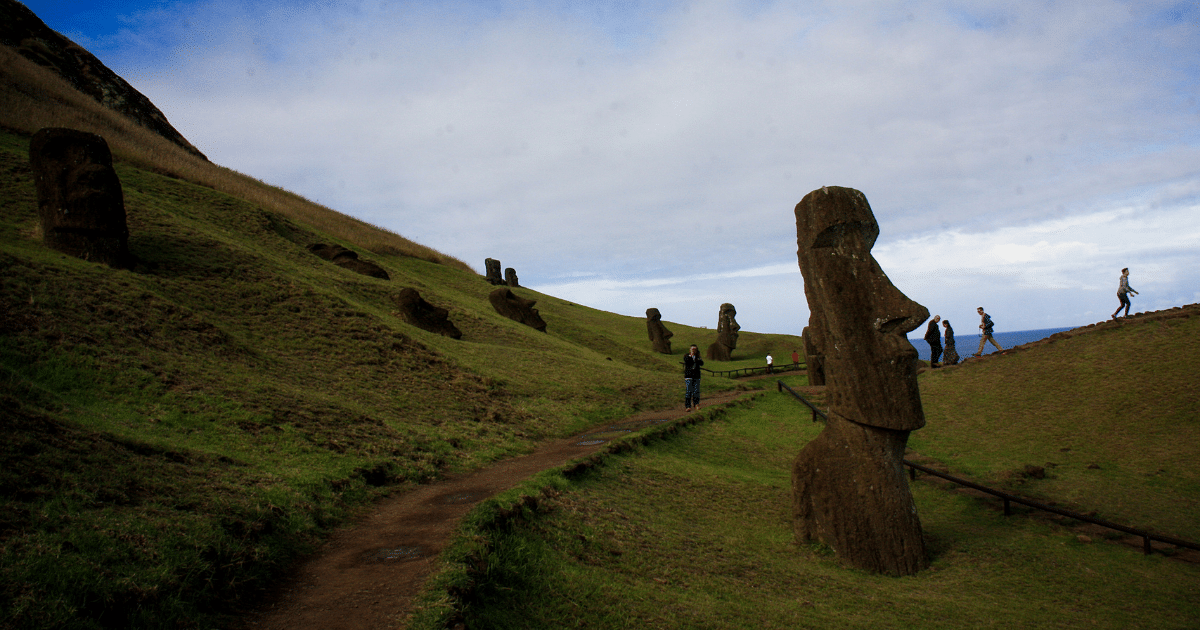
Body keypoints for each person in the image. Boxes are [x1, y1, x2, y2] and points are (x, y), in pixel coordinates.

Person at [683, 344, 704, 411]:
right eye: (692, 349)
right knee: (689, 391)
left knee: (696, 391)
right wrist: (692, 357)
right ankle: (688, 406)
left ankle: (696, 404)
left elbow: (701, 363)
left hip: (696, 376)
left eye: (695, 349)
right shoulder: (687, 356)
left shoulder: (698, 357)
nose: (693, 351)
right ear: (690, 350)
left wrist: (697, 357)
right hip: (689, 376)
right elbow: (688, 362)